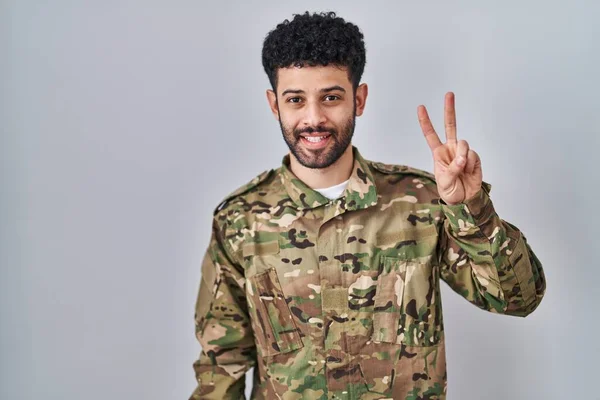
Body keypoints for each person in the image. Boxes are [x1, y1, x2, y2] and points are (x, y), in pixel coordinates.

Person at [189, 11, 546, 400]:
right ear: (275, 105)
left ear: (358, 99)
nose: (314, 118)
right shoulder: (241, 219)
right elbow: (220, 364)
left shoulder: (422, 202)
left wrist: (471, 207)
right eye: (296, 100)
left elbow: (517, 299)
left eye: (331, 97)